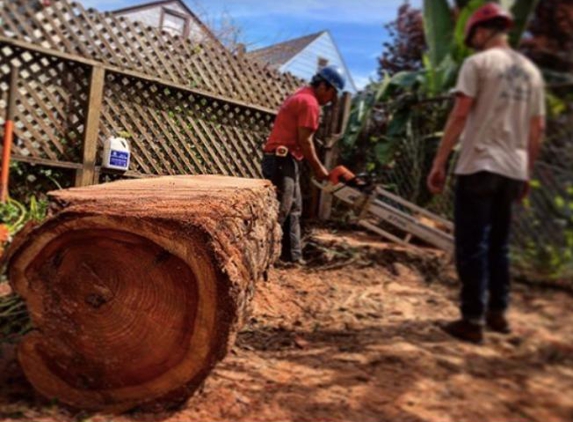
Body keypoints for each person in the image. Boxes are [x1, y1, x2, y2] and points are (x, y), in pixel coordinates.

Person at [426, 3, 545, 343]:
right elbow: (537, 127)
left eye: (473, 36)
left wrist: (439, 161)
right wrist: (526, 172)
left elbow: (461, 114)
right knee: (499, 244)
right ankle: (497, 313)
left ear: (481, 31)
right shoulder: (530, 72)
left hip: (479, 164)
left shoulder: (478, 63)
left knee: (472, 244)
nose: (473, 41)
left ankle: (472, 319)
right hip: (512, 169)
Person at [262, 65, 346, 264]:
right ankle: (263, 256)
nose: (331, 100)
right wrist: (319, 169)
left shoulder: (300, 94)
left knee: (293, 209)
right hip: (281, 159)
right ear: (324, 86)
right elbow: (305, 141)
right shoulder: (310, 103)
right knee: (281, 209)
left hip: (286, 159)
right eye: (332, 94)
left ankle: (292, 257)